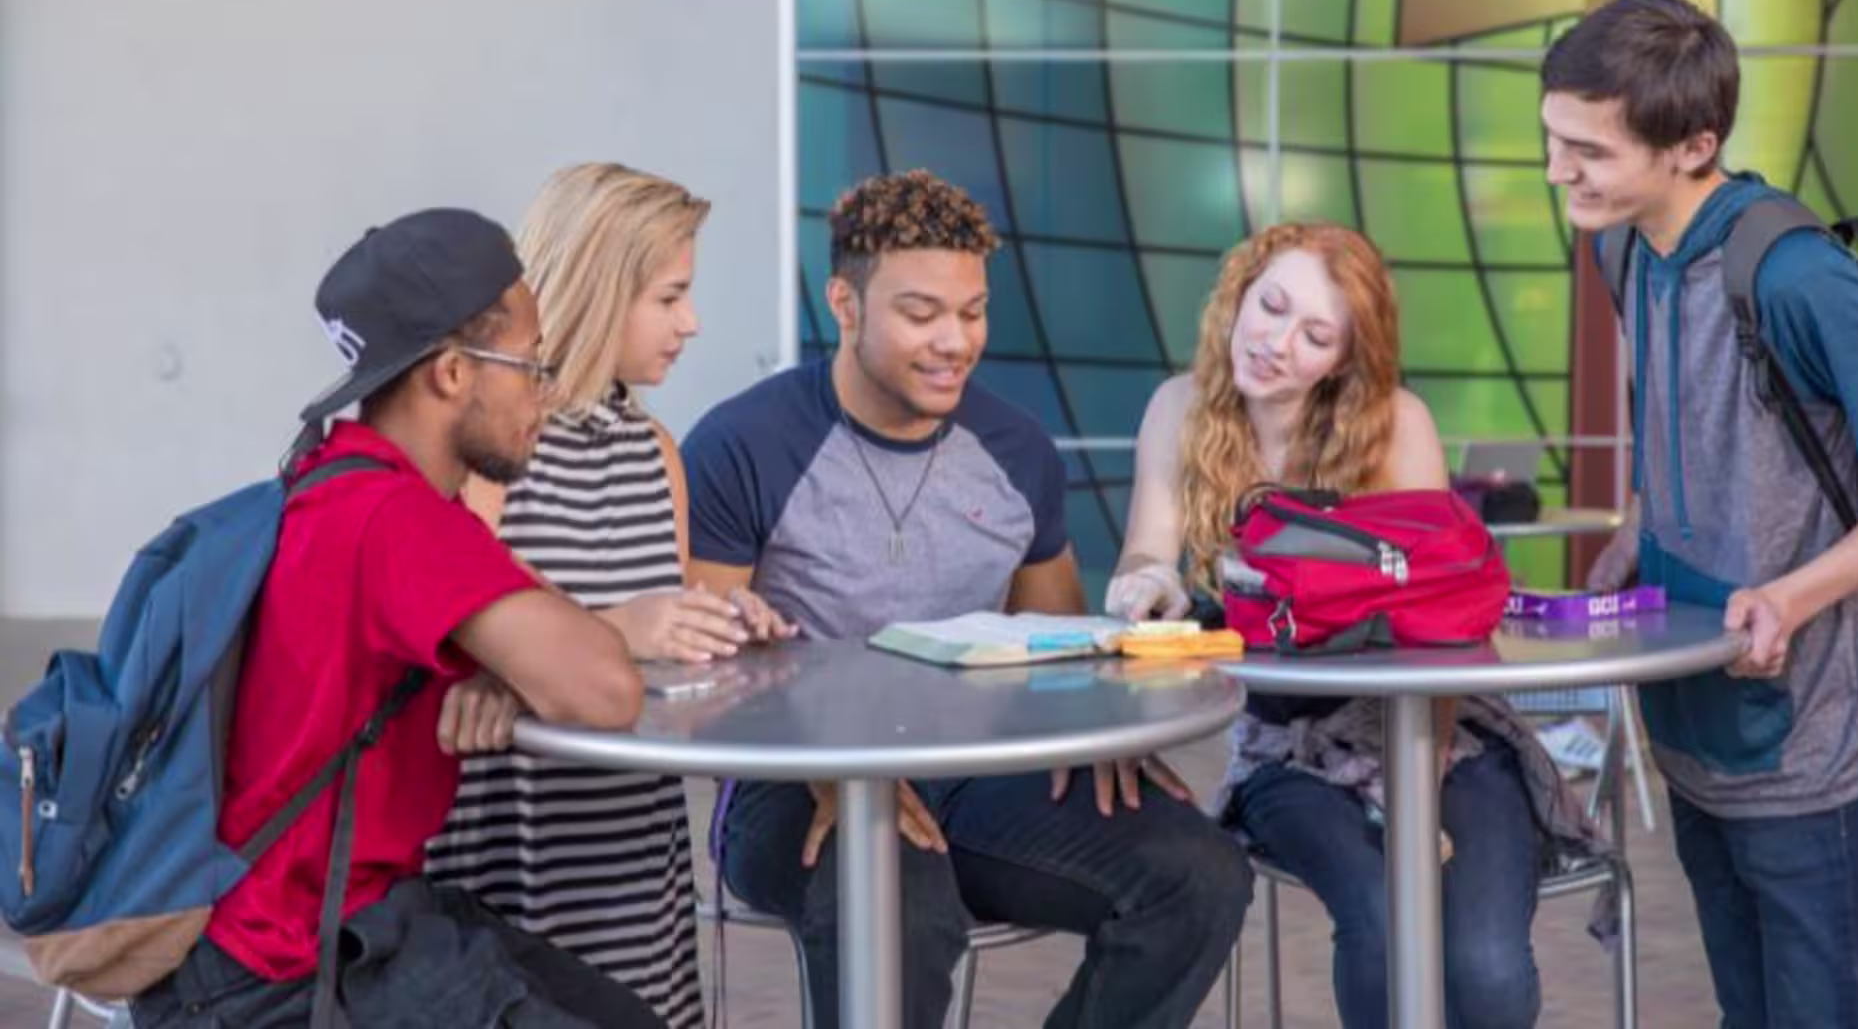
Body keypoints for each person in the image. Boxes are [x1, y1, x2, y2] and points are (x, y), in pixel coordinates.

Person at [680, 170, 1252, 1029]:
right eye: (921, 314)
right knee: (900, 908)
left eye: (973, 312)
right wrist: (823, 766)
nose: (955, 341)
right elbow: (705, 672)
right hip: (791, 783)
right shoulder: (743, 443)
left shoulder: (1016, 450)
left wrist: (1101, 731)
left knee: (1199, 877)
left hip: (975, 772)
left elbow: (1059, 643)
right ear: (845, 304)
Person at [131, 208, 664, 1028]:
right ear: (451, 373)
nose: (545, 393)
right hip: (282, 968)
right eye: (532, 364)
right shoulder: (397, 521)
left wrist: (505, 667)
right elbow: (604, 689)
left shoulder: (332, 480)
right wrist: (533, 654)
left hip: (324, 916)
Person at [1542, 0, 1858, 1027]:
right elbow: (1697, 424)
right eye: (1553, 139)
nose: (1559, 171)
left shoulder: (1794, 276)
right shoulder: (1623, 244)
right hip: (1703, 737)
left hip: (1827, 753)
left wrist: (1793, 596)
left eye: (1590, 151)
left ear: (1694, 146)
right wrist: (1641, 526)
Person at [1107, 223, 1547, 1029]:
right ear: (1240, 291)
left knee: (1484, 969)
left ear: (1345, 359)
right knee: (1381, 926)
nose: (1275, 343)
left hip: (1442, 737)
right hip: (1289, 751)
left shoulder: (1395, 423)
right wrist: (1148, 579)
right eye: (1271, 306)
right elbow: (1148, 547)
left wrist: (1414, 786)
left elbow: (1438, 618)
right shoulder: (1178, 408)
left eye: (1315, 336)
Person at [425, 165, 793, 1028]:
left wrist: (719, 620)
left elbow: (659, 622)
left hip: (634, 849)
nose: (691, 322)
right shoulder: (495, 452)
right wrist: (618, 630)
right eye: (670, 297)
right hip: (518, 849)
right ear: (597, 290)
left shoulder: (656, 449)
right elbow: (452, 634)